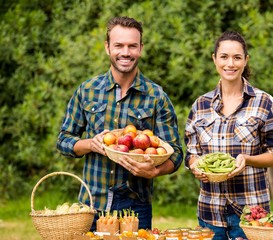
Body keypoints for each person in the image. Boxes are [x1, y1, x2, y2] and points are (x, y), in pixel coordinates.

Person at [57, 16, 183, 231]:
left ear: (141, 48)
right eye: (119, 45)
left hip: (136, 206)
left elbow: (177, 153)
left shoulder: (156, 96)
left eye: (132, 46)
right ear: (107, 47)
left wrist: (155, 171)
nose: (126, 52)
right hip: (91, 203)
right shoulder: (87, 90)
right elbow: (63, 141)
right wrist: (90, 144)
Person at [184, 31, 273, 240]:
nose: (230, 64)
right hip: (210, 212)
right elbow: (191, 153)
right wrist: (196, 166)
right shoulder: (200, 105)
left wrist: (246, 160)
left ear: (246, 60)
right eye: (224, 57)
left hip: (251, 214)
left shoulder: (264, 102)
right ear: (214, 59)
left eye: (237, 57)